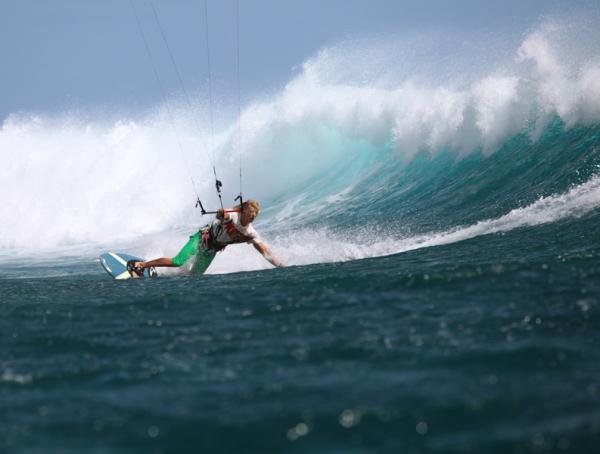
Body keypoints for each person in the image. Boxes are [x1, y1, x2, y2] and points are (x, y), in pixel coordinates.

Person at [129, 199, 283, 277]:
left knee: (194, 277)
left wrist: (281, 267)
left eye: (256, 213)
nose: (253, 215)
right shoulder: (232, 216)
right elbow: (222, 215)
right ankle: (141, 265)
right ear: (243, 211)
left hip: (211, 250)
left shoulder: (250, 233)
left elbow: (264, 251)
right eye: (251, 212)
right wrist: (220, 213)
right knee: (177, 261)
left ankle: (163, 274)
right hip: (201, 239)